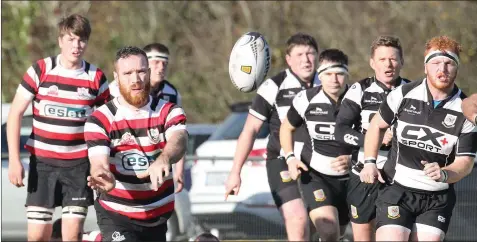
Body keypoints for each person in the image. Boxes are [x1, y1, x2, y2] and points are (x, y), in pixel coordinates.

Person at [362, 35, 477, 241]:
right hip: (397, 190)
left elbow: (465, 162)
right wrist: (369, 162)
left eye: (449, 63)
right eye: (435, 63)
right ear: (425, 67)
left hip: (436, 197)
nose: (442, 69)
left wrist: (445, 173)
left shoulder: (465, 110)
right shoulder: (403, 94)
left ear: (456, 69)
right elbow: (376, 126)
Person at [6, 14, 110, 241]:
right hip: (43, 164)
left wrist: (101, 164)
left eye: (81, 40)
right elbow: (15, 114)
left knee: (71, 236)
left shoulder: (96, 77)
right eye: (71, 39)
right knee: (38, 237)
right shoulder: (41, 70)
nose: (77, 46)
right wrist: (15, 160)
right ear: (60, 40)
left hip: (78, 166)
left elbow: (106, 123)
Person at [84, 46, 188, 242]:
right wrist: (103, 175)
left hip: (157, 214)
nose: (136, 79)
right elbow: (98, 163)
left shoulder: (169, 110)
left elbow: (179, 139)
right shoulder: (100, 119)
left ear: (148, 73)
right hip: (117, 213)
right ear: (116, 77)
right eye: (128, 73)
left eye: (141, 71)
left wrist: (164, 158)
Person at [224, 33, 321, 241]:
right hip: (281, 162)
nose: (306, 60)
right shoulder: (273, 87)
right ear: (288, 59)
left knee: (322, 224)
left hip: (320, 164)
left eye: (310, 54)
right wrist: (235, 172)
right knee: (297, 218)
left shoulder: (328, 84)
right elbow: (249, 130)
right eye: (300, 54)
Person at [334, 35, 410, 241]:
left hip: (399, 178)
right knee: (364, 235)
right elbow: (340, 130)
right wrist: (372, 139)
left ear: (401, 62)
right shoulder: (360, 90)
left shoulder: (413, 92)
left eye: (393, 59)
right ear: (372, 63)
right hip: (364, 175)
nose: (388, 64)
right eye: (382, 59)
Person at [280, 49, 352, 241]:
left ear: (347, 74)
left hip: (352, 178)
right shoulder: (306, 99)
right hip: (315, 175)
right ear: (320, 75)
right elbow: (286, 128)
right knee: (329, 230)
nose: (334, 79)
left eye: (339, 74)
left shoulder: (358, 99)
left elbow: (371, 137)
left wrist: (353, 159)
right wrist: (290, 158)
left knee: (339, 232)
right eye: (328, 74)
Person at [109, 42, 185, 194]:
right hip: (123, 162)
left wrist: (179, 170)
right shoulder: (115, 90)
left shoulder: (172, 93)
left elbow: (179, 132)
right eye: (156, 62)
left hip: (157, 164)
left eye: (165, 63)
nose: (161, 67)